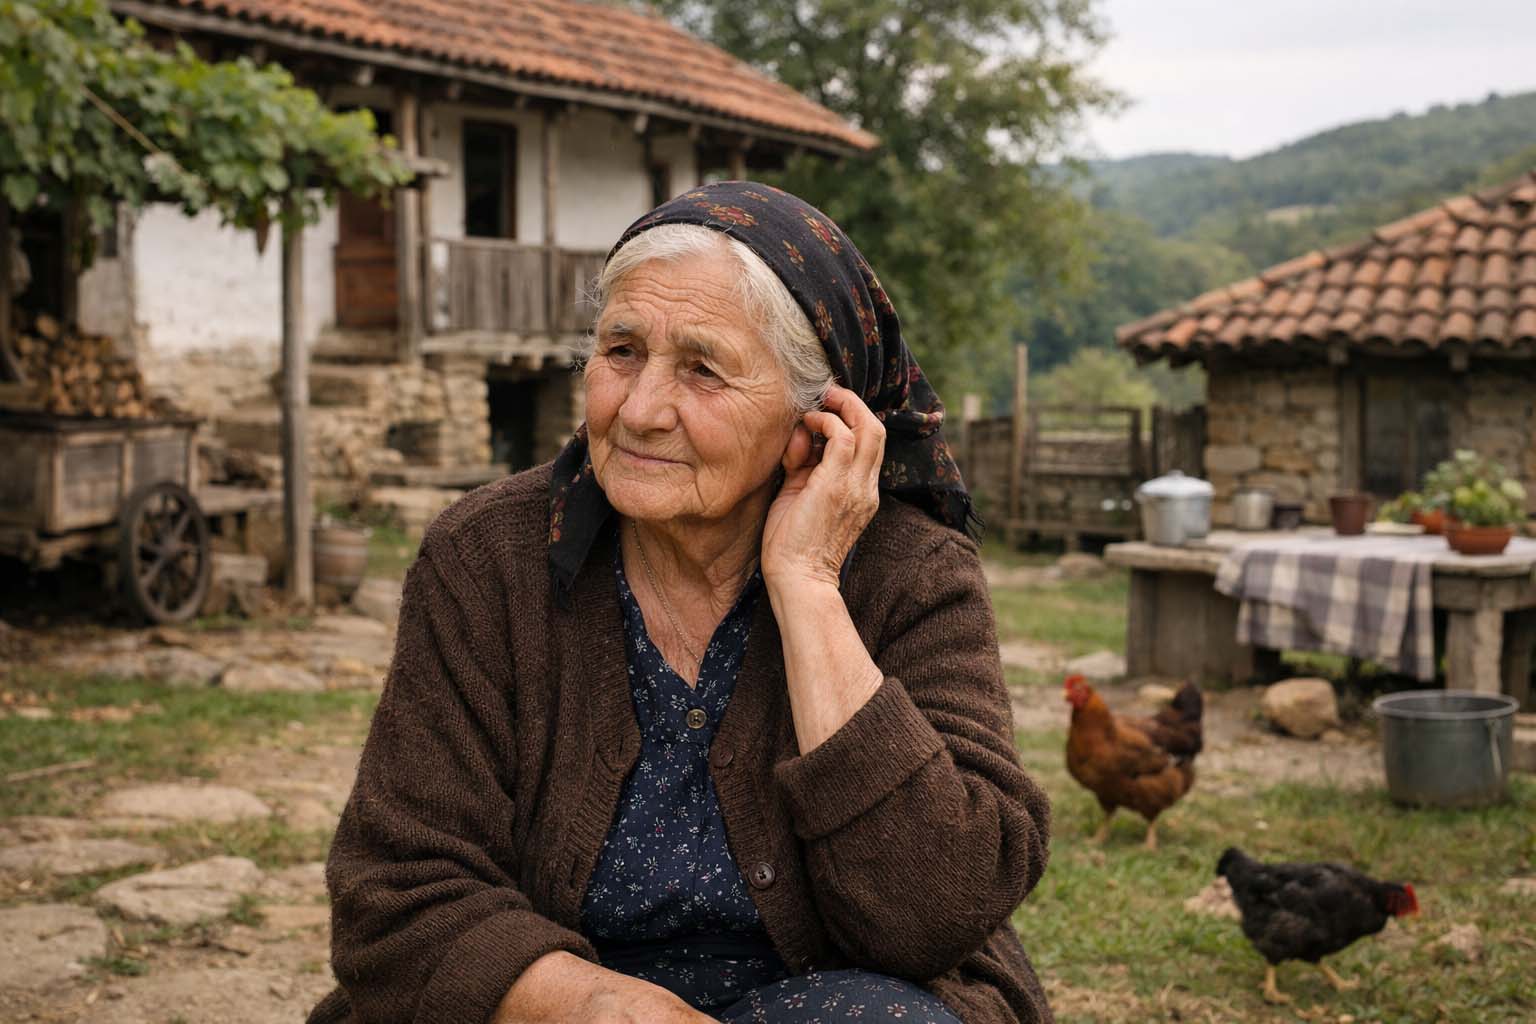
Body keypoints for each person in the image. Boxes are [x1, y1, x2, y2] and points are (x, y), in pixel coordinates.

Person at [309, 182, 1053, 1024]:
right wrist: (589, 1005)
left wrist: (809, 587)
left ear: (821, 416)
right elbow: (395, 892)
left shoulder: (911, 577)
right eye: (620, 350)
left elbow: (938, 912)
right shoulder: (485, 559)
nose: (639, 410)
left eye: (702, 369)